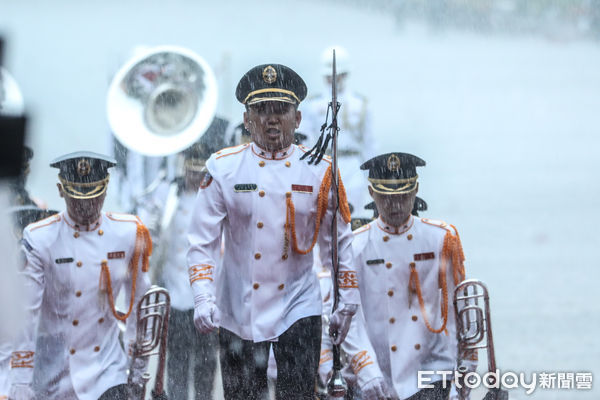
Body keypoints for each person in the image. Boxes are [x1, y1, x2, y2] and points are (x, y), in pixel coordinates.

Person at [187, 63, 361, 400]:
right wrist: (203, 296)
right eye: (261, 110)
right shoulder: (223, 169)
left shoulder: (321, 171)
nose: (271, 119)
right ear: (247, 119)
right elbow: (201, 242)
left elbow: (337, 243)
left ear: (297, 119)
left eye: (281, 110)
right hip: (238, 307)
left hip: (299, 303)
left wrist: (347, 298)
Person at [9, 152, 152, 400]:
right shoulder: (40, 238)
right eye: (76, 198)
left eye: (94, 197)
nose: (86, 206)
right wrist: (20, 379)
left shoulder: (128, 232)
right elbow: (26, 315)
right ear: (61, 191)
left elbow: (139, 303)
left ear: (106, 190)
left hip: (108, 369)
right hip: (55, 373)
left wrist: (138, 365)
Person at [341, 152, 475, 400]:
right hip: (376, 375)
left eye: (403, 196)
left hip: (431, 371)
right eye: (387, 197)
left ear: (416, 191)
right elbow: (349, 315)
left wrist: (465, 372)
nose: (396, 205)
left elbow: (460, 310)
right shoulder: (355, 246)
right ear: (371, 194)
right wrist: (366, 368)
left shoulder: (441, 239)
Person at [138, 143, 219, 400]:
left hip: (207, 294)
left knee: (206, 364)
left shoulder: (215, 196)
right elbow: (147, 221)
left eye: (200, 172)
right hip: (175, 291)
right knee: (176, 360)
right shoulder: (169, 193)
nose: (194, 177)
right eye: (191, 171)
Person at [301, 45, 375, 216]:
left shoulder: (360, 104)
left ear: (346, 75)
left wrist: (372, 176)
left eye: (338, 75)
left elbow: (369, 143)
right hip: (323, 163)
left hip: (352, 163)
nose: (333, 79)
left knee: (351, 217)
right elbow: (305, 140)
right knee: (325, 217)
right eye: (329, 76)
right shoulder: (313, 105)